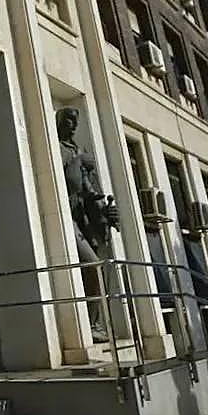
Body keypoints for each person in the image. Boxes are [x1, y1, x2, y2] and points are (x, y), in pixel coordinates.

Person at [56, 107, 120, 344]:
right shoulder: (59, 149)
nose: (73, 125)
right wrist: (78, 161)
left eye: (76, 121)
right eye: (69, 120)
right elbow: (71, 183)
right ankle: (91, 324)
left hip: (86, 220)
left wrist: (108, 212)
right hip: (67, 216)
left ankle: (96, 321)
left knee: (103, 268)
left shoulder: (80, 150)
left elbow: (93, 189)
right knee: (93, 265)